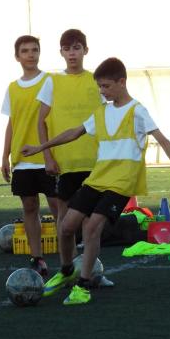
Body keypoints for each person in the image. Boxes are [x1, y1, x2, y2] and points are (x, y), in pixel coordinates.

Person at [22, 57, 170, 305]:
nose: (102, 91)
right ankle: (67, 271)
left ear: (122, 82)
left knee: (91, 228)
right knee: (67, 226)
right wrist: (41, 147)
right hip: (98, 178)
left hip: (122, 182)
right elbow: (74, 133)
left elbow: (163, 140)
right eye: (99, 86)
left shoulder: (137, 111)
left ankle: (84, 285)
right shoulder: (101, 112)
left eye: (106, 86)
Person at [36, 29, 103, 245]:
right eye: (67, 49)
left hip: (94, 160)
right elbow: (40, 122)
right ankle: (68, 264)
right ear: (61, 52)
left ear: (86, 50)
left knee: (91, 217)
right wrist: (48, 157)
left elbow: (107, 119)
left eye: (76, 48)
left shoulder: (97, 81)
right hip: (64, 163)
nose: (72, 53)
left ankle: (91, 269)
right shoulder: (52, 82)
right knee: (64, 218)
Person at [1, 35, 58, 277]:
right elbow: (12, 123)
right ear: (17, 56)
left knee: (58, 207)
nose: (31, 54)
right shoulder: (12, 88)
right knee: (30, 206)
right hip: (23, 159)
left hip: (48, 155)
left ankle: (70, 257)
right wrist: (5, 156)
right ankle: (38, 258)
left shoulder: (51, 81)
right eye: (25, 51)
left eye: (35, 50)